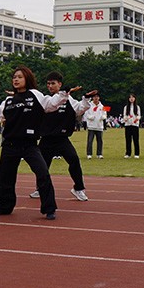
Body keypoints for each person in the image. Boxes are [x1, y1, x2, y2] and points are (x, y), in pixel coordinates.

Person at [0, 65, 70, 220]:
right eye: (14, 77)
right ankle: (5, 206)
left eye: (20, 77)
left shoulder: (35, 94)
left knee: (43, 174)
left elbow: (51, 104)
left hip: (29, 145)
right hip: (10, 145)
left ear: (27, 78)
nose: (16, 80)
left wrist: (63, 93)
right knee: (5, 177)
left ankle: (49, 208)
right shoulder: (9, 100)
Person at [28, 72, 91, 202]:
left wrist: (86, 98)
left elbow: (80, 109)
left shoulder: (69, 99)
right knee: (42, 166)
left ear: (60, 84)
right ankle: (40, 188)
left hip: (62, 139)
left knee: (74, 160)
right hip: (46, 139)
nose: (50, 86)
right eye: (48, 84)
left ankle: (78, 188)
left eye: (53, 83)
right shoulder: (45, 100)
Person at [83, 93, 107, 159]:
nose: (96, 98)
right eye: (94, 97)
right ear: (92, 98)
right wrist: (90, 117)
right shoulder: (89, 105)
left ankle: (99, 154)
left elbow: (105, 114)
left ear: (99, 98)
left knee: (100, 141)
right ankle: (89, 154)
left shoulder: (102, 106)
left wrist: (103, 117)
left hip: (99, 126)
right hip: (91, 126)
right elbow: (86, 114)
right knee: (90, 141)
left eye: (97, 97)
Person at [122, 94, 142, 159]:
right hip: (128, 125)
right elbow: (124, 116)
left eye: (133, 97)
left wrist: (137, 119)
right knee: (128, 140)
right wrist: (127, 118)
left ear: (135, 98)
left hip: (135, 125)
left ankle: (136, 153)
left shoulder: (137, 107)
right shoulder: (126, 107)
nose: (131, 98)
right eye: (130, 97)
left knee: (136, 139)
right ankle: (128, 153)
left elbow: (139, 115)